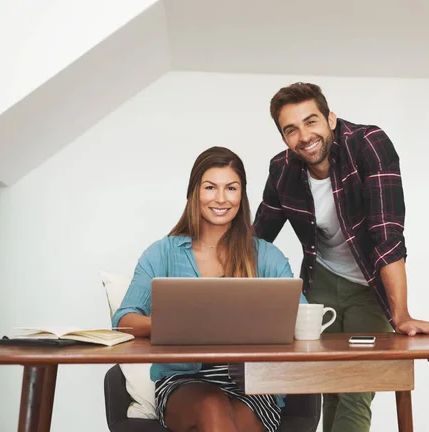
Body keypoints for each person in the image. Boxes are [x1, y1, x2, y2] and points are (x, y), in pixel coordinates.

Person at [253, 82, 429, 432]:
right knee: (332, 386)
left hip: (370, 283)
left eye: (311, 122)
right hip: (321, 280)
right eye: (291, 129)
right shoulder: (282, 170)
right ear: (283, 138)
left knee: (357, 388)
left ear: (330, 118)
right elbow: (257, 240)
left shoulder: (368, 145)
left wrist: (400, 315)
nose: (304, 136)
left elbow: (386, 235)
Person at [113, 146, 306, 432]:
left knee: (224, 420)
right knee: (212, 408)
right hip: (183, 383)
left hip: (254, 384)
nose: (220, 198)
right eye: (210, 187)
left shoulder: (266, 256)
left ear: (242, 195)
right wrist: (171, 325)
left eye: (231, 188)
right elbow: (123, 322)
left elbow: (301, 317)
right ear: (194, 192)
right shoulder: (161, 253)